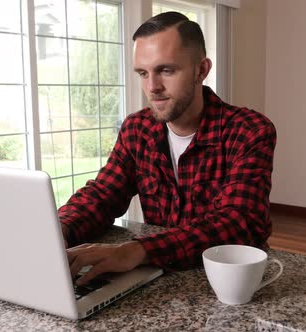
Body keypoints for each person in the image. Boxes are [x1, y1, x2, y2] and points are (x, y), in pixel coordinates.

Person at [60, 11, 276, 286]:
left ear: (202, 70)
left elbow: (237, 223)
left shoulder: (249, 130)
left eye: (166, 70)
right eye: (143, 73)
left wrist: (137, 250)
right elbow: (103, 195)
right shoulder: (137, 129)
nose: (152, 87)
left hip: (231, 283)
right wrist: (60, 228)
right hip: (159, 276)